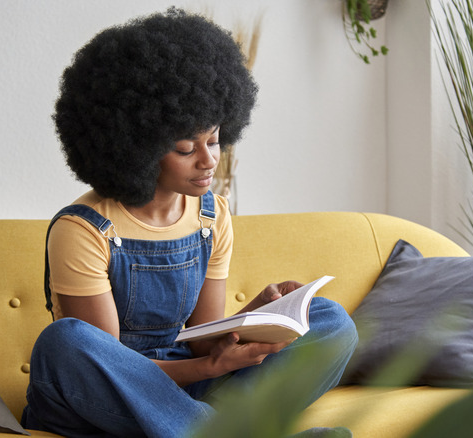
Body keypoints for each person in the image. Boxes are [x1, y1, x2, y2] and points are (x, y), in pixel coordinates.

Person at [21, 8, 358, 438]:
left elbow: (199, 339)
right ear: (136, 147)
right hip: (99, 400)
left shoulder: (210, 216)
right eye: (185, 148)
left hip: (182, 386)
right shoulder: (84, 229)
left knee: (330, 321)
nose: (209, 159)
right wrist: (211, 366)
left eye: (214, 139)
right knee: (65, 342)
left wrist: (256, 316)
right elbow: (110, 368)